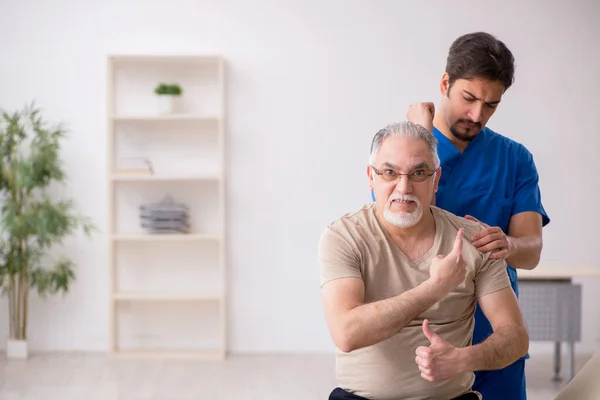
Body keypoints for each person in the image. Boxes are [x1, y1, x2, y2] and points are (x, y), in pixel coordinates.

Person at [318, 120, 529, 400]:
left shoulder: (475, 240)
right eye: (390, 172)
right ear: (371, 177)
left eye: (419, 173)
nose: (403, 187)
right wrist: (436, 288)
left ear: (436, 180)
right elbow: (346, 333)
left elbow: (515, 337)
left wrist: (463, 359)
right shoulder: (344, 236)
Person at [405, 31, 551, 400]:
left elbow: (531, 251)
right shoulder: (404, 150)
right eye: (469, 98)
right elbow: (400, 224)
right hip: (424, 335)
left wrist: (508, 243)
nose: (477, 115)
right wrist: (420, 136)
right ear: (444, 83)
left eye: (491, 105)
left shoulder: (515, 158)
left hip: (496, 336)